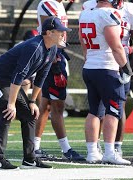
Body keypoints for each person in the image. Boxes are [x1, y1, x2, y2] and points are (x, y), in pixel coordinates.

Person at [0, 16, 72, 170]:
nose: (63, 34)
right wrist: (11, 104)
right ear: (49, 33)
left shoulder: (52, 49)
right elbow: (19, 75)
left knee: (30, 115)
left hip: (11, 80)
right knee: (7, 112)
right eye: (60, 31)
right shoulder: (35, 47)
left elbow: (42, 76)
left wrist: (32, 101)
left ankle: (29, 159)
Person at [82, 0, 133, 158]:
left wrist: (88, 60)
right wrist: (125, 67)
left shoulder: (86, 13)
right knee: (114, 110)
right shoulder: (110, 14)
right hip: (108, 67)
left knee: (94, 111)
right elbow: (116, 46)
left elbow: (83, 44)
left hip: (90, 66)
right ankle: (110, 152)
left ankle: (92, 153)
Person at [33, 0, 86, 162]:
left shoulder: (59, 5)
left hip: (56, 54)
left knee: (47, 106)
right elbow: (48, 32)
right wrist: (55, 59)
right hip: (52, 56)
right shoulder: (48, 4)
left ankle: (34, 147)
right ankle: (66, 149)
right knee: (57, 105)